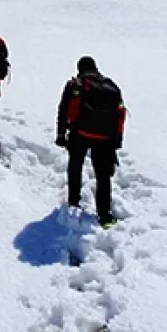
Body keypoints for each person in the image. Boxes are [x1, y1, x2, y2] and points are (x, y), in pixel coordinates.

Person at [55, 56, 127, 228]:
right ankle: (104, 215)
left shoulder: (76, 85)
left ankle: (74, 202)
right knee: (103, 176)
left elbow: (64, 109)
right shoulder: (111, 86)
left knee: (75, 166)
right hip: (105, 137)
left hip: (80, 132)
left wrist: (61, 133)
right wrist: (116, 140)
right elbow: (120, 114)